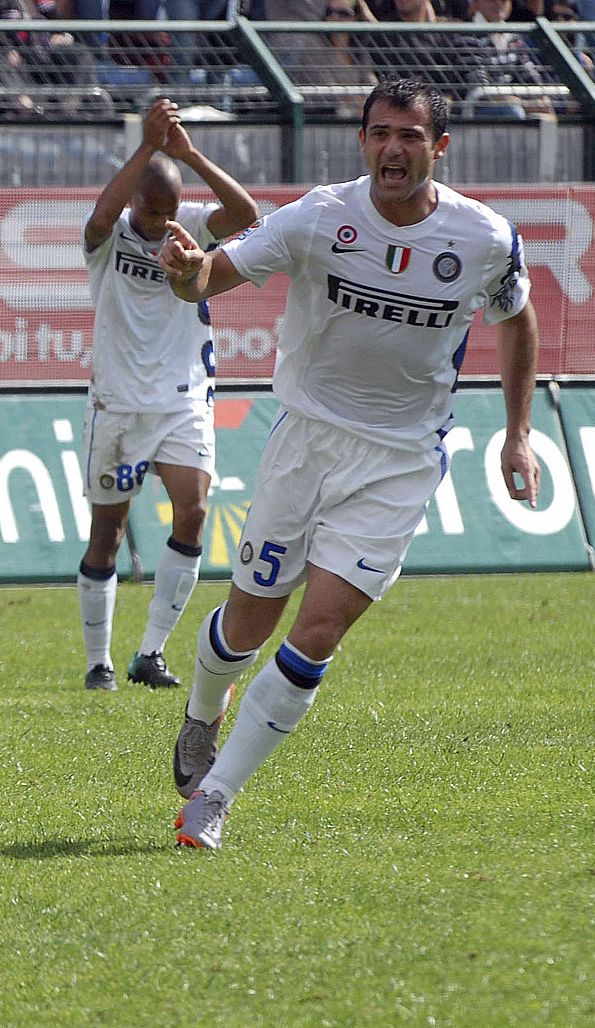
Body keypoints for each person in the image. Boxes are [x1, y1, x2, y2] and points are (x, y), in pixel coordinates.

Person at [158, 79, 540, 848]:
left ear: (439, 147)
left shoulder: (486, 239)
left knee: (321, 630)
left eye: (408, 136)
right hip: (304, 442)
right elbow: (210, 277)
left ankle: (215, 797)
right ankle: (203, 711)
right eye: (379, 134)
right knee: (245, 624)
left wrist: (517, 432)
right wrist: (183, 271)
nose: (391, 149)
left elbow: (516, 318)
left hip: (399, 460)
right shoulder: (320, 216)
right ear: (363, 141)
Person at [77, 98, 258, 692]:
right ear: (136, 204)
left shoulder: (192, 230)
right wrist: (148, 148)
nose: (162, 223)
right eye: (153, 213)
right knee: (107, 534)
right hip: (120, 406)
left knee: (195, 511)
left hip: (184, 398)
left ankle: (150, 653)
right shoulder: (110, 242)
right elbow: (101, 219)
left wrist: (188, 154)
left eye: (169, 211)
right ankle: (98, 662)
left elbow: (246, 211)